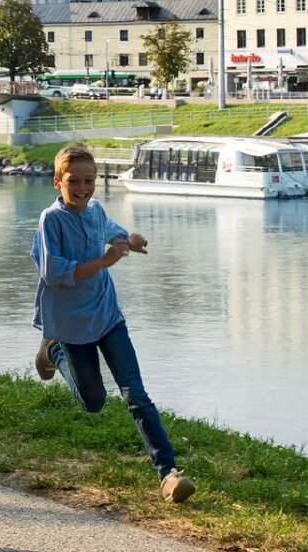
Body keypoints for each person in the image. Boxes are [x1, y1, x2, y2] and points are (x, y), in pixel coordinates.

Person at [32, 143, 194, 504]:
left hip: (107, 315)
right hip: (71, 324)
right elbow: (53, 272)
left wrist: (128, 240)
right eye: (75, 181)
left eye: (90, 180)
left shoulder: (96, 209)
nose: (84, 188)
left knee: (135, 393)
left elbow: (108, 228)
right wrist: (104, 262)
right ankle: (54, 351)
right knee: (93, 402)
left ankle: (168, 474)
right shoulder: (51, 220)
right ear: (58, 181)